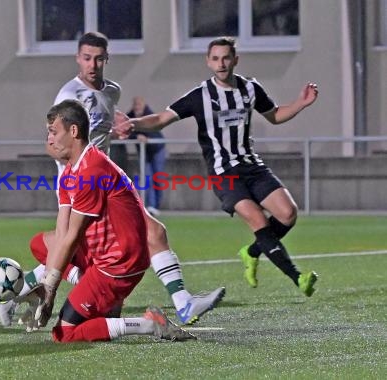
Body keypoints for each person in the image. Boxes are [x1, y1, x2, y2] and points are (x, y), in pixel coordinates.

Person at [0, 32, 225, 329]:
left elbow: (103, 119)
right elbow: (54, 139)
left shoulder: (111, 91)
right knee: (74, 247)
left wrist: (118, 126)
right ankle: (20, 293)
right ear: (78, 58)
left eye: (99, 58)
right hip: (84, 185)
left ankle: (182, 304)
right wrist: (73, 172)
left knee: (149, 232)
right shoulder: (68, 95)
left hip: (105, 181)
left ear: (107, 59)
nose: (93, 65)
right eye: (87, 58)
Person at [118, 37, 319, 296]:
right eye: (215, 58)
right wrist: (133, 123)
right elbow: (161, 119)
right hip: (224, 173)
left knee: (288, 214)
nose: (221, 63)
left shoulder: (250, 89)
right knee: (258, 220)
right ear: (208, 61)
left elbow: (275, 115)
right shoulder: (200, 95)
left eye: (226, 58)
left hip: (252, 165)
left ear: (235, 59)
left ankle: (252, 251)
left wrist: (300, 104)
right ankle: (298, 277)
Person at [32, 99, 195, 342]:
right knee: (39, 243)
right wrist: (46, 285)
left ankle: (149, 324)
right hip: (104, 254)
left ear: (73, 131)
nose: (50, 140)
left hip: (118, 265)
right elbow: (62, 230)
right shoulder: (69, 172)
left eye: (54, 132)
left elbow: (72, 236)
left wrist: (50, 290)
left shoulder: (91, 170)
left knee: (63, 335)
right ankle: (96, 294)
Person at [127, 96, 167, 217]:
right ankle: (151, 206)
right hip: (143, 152)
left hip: (157, 150)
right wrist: (136, 137)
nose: (137, 108)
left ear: (144, 105)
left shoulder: (150, 115)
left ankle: (157, 205)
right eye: (135, 105)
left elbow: (155, 129)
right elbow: (126, 132)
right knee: (147, 178)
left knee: (158, 178)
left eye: (139, 105)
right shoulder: (129, 116)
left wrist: (147, 137)